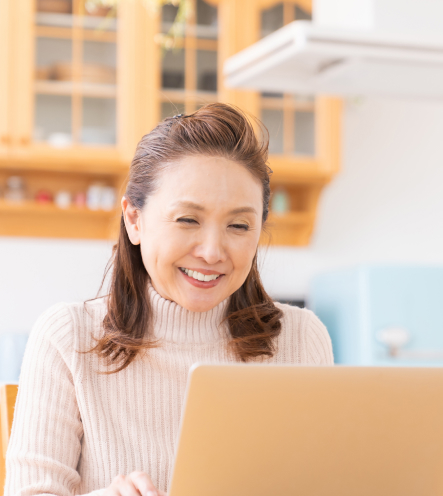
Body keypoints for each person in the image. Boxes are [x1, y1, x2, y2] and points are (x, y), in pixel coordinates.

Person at [4, 103, 333, 496]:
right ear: (134, 219)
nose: (212, 251)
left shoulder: (299, 339)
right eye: (188, 219)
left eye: (239, 225)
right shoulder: (68, 338)